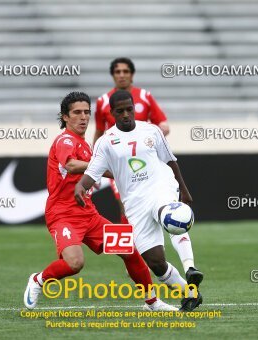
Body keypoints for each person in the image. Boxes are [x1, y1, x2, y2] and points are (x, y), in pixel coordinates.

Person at [23, 92, 176, 311]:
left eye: (86, 112)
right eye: (77, 112)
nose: (83, 117)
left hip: (88, 215)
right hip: (63, 215)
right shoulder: (65, 140)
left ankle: (152, 302)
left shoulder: (87, 147)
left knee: (130, 251)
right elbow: (72, 165)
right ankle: (38, 280)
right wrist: (99, 168)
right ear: (65, 117)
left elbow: (106, 171)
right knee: (75, 263)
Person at [75, 90, 203, 311]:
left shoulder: (151, 130)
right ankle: (190, 294)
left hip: (160, 187)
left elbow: (170, 161)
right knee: (156, 262)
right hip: (135, 203)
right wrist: (80, 186)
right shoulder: (105, 142)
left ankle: (190, 267)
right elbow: (93, 173)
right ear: (112, 112)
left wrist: (184, 189)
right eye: (120, 111)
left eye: (129, 109)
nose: (126, 114)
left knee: (171, 216)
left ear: (134, 108)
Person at [94, 57, 202, 288]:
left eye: (125, 71)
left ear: (132, 75)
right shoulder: (102, 101)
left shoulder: (145, 97)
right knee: (126, 211)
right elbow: (98, 131)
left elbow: (164, 124)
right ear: (112, 75)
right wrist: (93, 160)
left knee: (167, 213)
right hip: (119, 163)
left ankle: (181, 265)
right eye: (117, 71)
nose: (121, 75)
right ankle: (133, 259)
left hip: (147, 165)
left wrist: (154, 133)